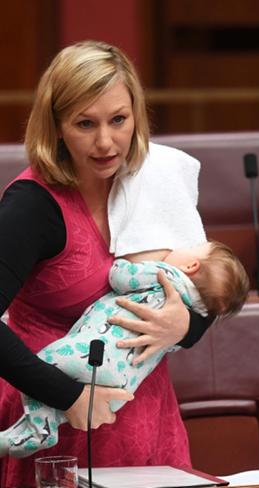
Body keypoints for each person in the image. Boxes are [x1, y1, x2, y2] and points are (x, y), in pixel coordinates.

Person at [0, 41, 215, 485]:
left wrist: (185, 327)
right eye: (85, 124)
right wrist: (67, 394)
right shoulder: (31, 206)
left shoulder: (153, 182)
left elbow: (206, 283)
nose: (105, 142)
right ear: (56, 126)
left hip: (147, 418)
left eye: (118, 120)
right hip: (54, 421)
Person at [0, 240, 248, 458]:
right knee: (62, 406)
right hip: (122, 385)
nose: (179, 247)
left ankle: (36, 428)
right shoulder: (194, 312)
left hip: (93, 353)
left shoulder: (166, 275)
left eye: (192, 247)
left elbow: (120, 278)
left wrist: (122, 261)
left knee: (45, 366)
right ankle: (30, 432)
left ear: (191, 266)